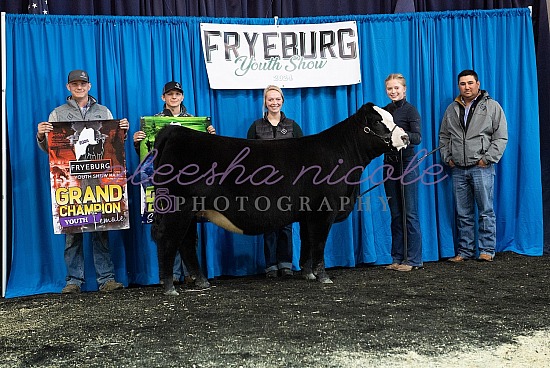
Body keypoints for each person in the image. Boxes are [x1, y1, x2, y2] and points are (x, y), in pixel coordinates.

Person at [36, 69, 128, 293]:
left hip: (99, 179)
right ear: (68, 87)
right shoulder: (57, 114)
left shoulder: (103, 111)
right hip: (70, 181)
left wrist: (122, 132)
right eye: (75, 84)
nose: (79, 87)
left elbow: (113, 146)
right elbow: (50, 150)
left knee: (101, 227)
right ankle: (73, 281)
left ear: (89, 86)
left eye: (83, 84)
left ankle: (106, 279)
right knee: (72, 230)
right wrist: (41, 135)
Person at [133, 81, 215, 284]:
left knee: (189, 227)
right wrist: (139, 143)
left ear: (182, 97)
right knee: (168, 227)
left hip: (190, 181)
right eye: (170, 94)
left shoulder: (195, 122)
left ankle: (190, 273)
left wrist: (211, 138)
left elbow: (205, 155)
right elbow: (147, 155)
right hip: (166, 181)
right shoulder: (154, 122)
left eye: (177, 94)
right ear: (164, 98)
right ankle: (171, 273)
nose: (174, 97)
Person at [439, 69, 508, 262]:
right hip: (458, 168)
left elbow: (500, 136)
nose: (466, 87)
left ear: (478, 84)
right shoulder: (451, 109)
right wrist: (448, 157)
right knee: (463, 213)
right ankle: (465, 251)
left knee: (486, 211)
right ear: (459, 86)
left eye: (470, 83)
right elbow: (444, 136)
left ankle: (487, 250)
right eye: (462, 84)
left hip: (481, 168)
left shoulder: (492, 107)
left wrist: (487, 159)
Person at [247, 85, 303, 278]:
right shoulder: (256, 127)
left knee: (286, 224)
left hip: (288, 183)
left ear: (282, 101)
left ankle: (286, 264)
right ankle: (271, 265)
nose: (274, 103)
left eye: (277, 99)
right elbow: (247, 156)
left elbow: (303, 155)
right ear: (265, 102)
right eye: (270, 99)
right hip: (264, 183)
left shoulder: (293, 126)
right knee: (269, 223)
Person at [382, 74, 423, 272]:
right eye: (390, 88)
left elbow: (418, 137)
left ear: (404, 89)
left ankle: (414, 259)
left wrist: (404, 136)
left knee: (409, 213)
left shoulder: (410, 110)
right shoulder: (384, 112)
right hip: (389, 165)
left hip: (407, 163)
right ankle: (397, 257)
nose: (393, 91)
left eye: (396, 88)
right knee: (396, 214)